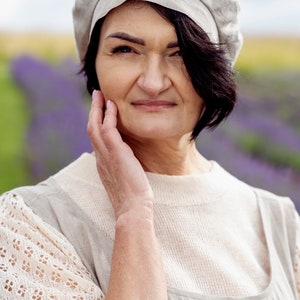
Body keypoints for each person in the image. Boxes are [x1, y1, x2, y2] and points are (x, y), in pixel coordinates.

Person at [0, 0, 299, 299]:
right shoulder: (32, 224)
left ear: (216, 67)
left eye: (181, 52)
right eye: (125, 50)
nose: (153, 83)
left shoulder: (281, 223)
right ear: (94, 64)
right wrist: (133, 214)